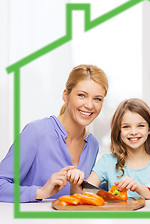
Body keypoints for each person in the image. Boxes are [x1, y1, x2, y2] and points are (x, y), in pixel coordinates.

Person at [0, 64, 108, 202]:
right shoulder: (36, 132)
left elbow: (84, 193)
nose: (89, 105)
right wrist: (40, 192)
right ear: (66, 95)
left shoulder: (92, 144)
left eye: (97, 99)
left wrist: (116, 185)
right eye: (82, 95)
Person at [69, 98, 150, 199]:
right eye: (126, 127)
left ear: (149, 129)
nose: (134, 132)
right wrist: (75, 182)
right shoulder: (107, 161)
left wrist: (137, 187)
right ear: (119, 131)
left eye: (140, 126)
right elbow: (85, 195)